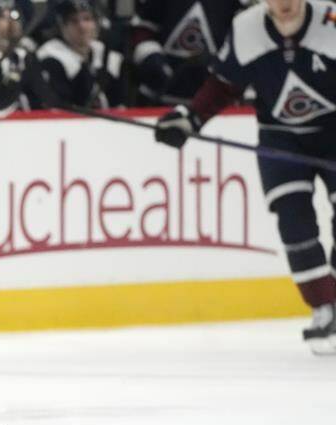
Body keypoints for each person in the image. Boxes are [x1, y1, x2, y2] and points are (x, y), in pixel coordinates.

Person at [155, 0, 336, 354]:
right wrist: (188, 118)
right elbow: (223, 86)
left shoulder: (332, 18)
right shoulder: (245, 28)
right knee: (293, 220)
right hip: (279, 137)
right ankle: (323, 309)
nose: (284, 4)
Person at [130, 0, 249, 106]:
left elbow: (245, 36)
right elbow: (143, 28)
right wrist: (152, 59)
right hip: (159, 97)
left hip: (216, 101)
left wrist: (224, 69)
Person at [28, 0, 124, 110]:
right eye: (74, 21)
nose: (82, 26)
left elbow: (120, 103)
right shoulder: (50, 57)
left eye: (87, 19)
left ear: (96, 23)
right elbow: (59, 107)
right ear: (62, 26)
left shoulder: (107, 54)